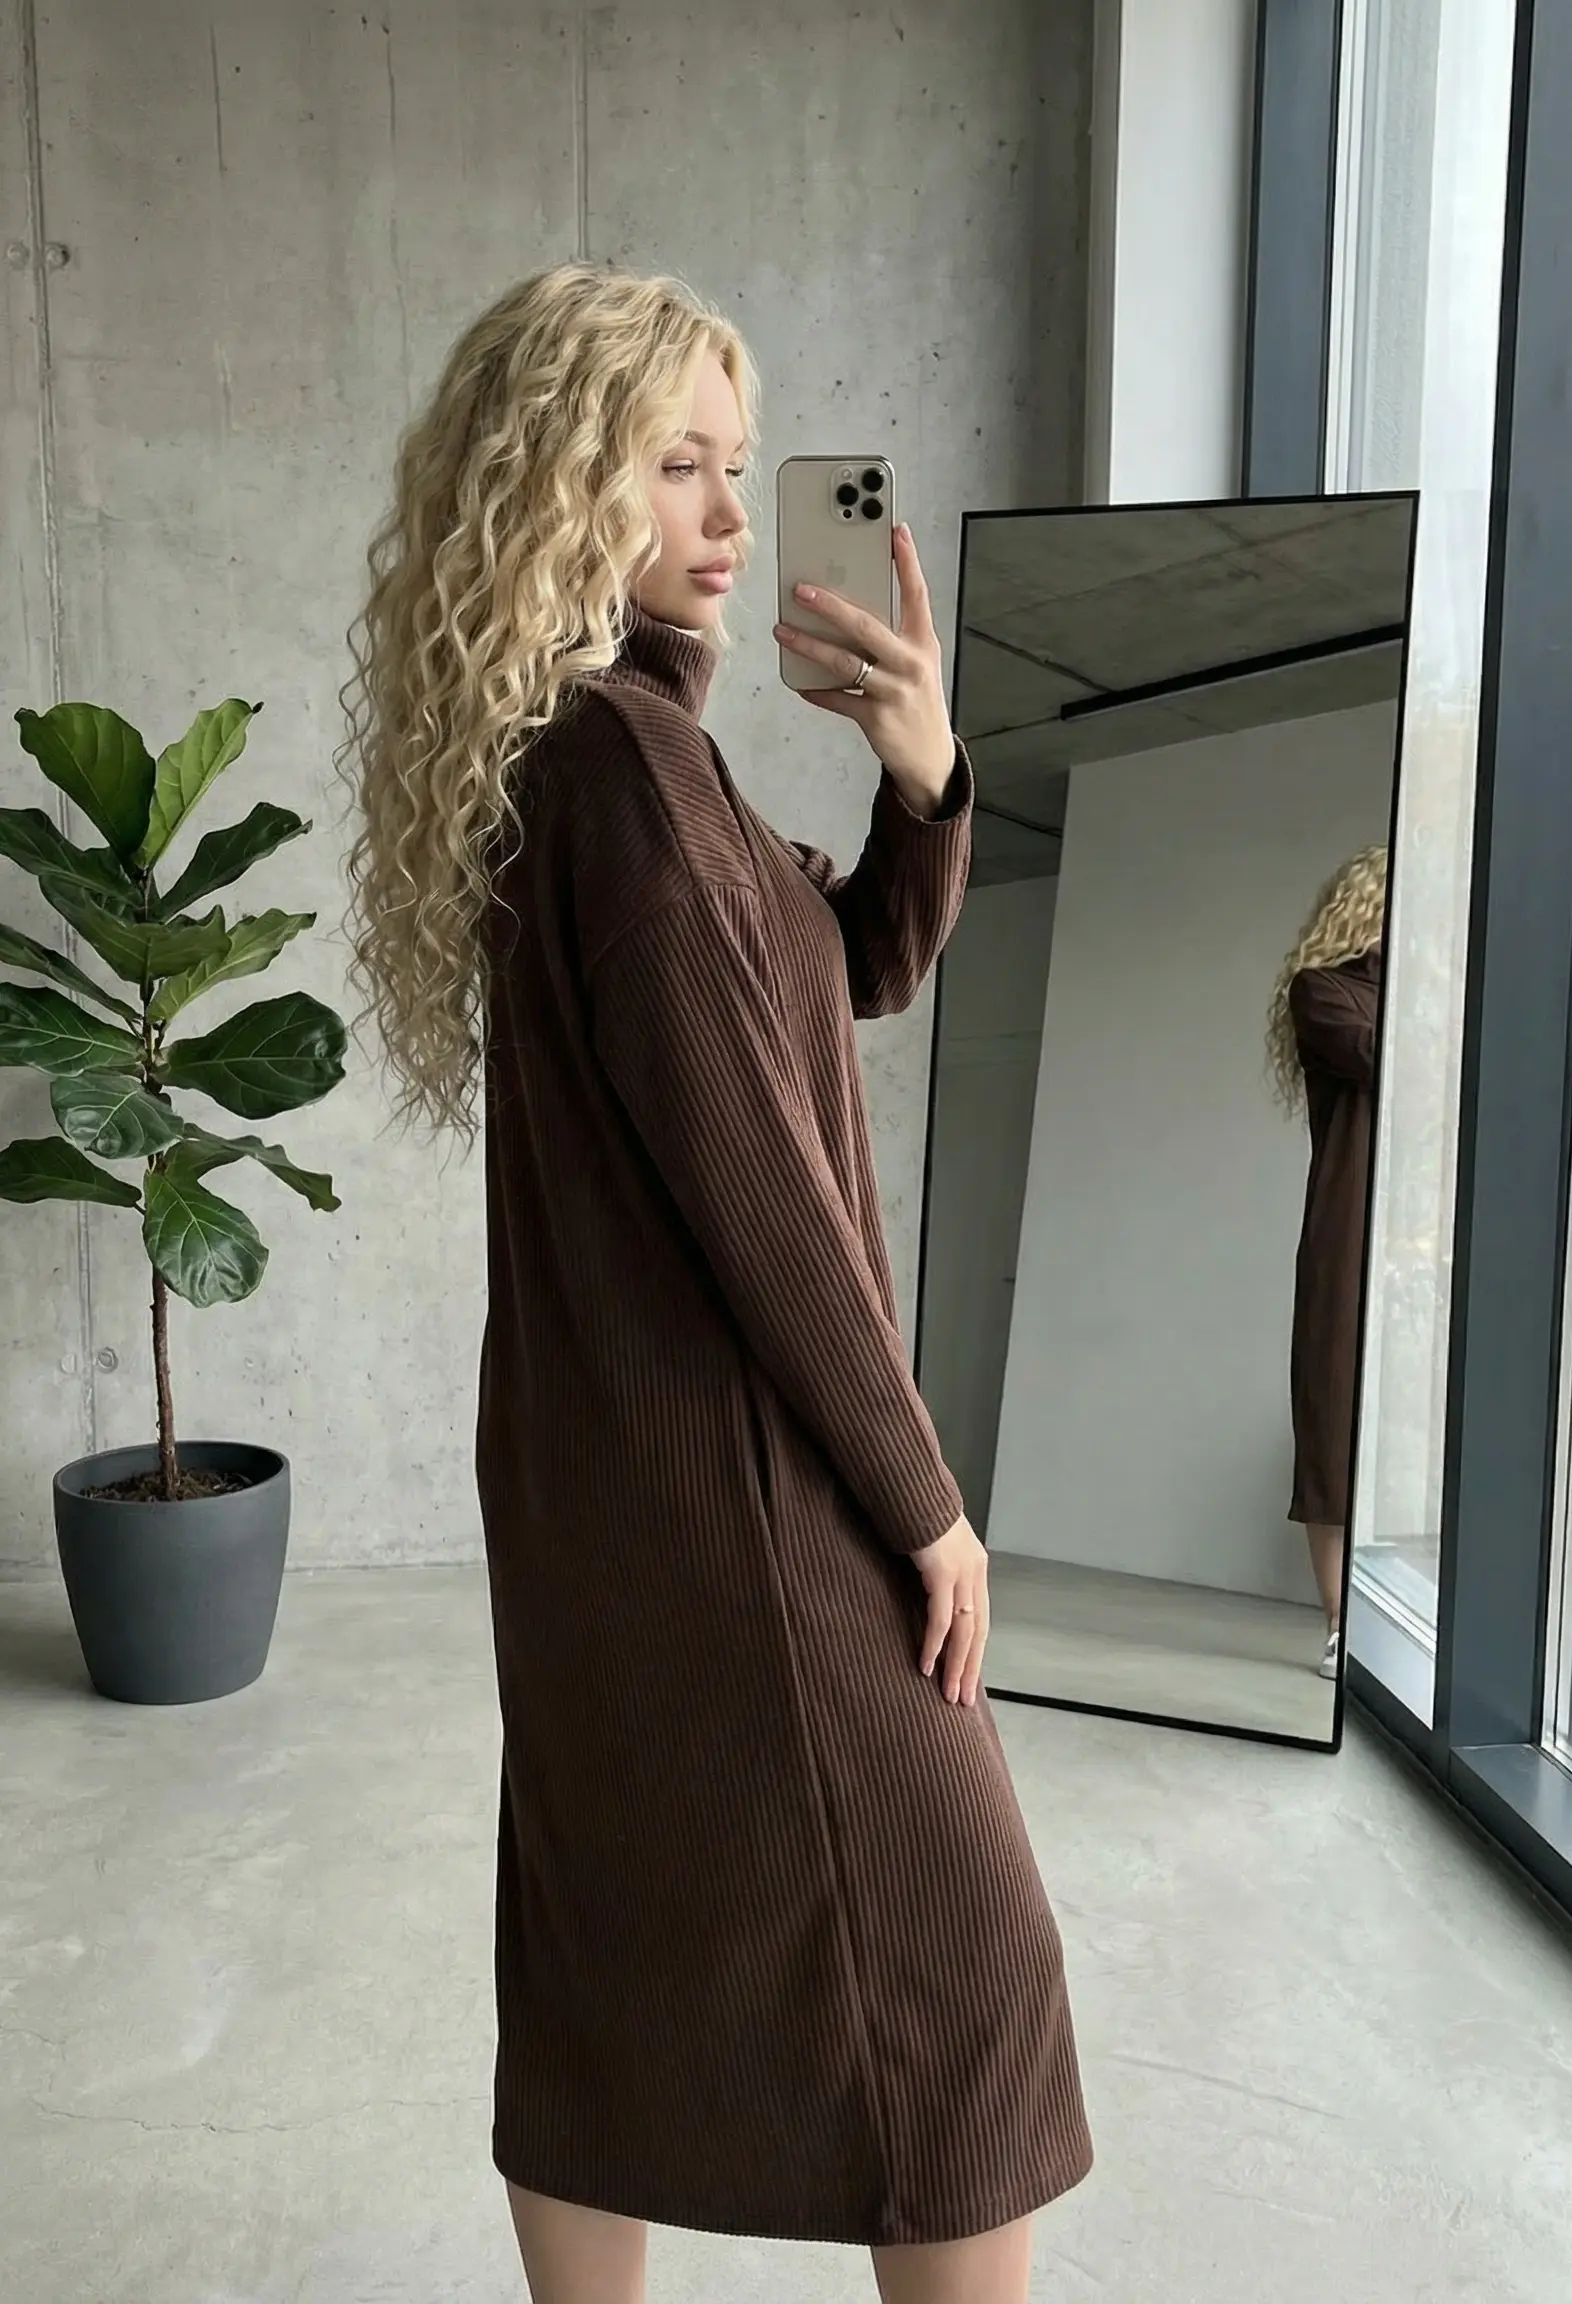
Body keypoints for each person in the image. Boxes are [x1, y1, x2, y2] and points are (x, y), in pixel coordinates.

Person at [338, 262, 1091, 2304]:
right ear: (559, 478)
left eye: (739, 468)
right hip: (731, 1486)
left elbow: (848, 967)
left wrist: (922, 772)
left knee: (612, 1925)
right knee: (967, 1972)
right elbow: (762, 1191)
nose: (735, 516)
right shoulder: (626, 771)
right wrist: (923, 1498)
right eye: (677, 464)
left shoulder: (609, 758)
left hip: (606, 1479)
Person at [1266, 846, 1387, 1682]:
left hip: (1420, 1241)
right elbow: (1387, 1056)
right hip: (1350, 1235)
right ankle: (1343, 1625)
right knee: (1333, 1421)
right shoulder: (1324, 993)